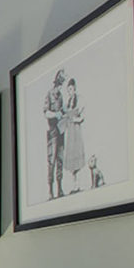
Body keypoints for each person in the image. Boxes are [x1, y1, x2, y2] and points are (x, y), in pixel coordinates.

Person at [42, 69, 67, 199]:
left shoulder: (61, 96)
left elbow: (61, 109)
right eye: (60, 84)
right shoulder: (49, 94)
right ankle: (50, 190)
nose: (60, 87)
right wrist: (55, 114)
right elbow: (46, 112)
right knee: (51, 160)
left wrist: (63, 112)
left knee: (60, 159)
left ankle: (60, 188)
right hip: (52, 131)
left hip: (60, 130)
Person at [62, 78, 86, 192]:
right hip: (70, 133)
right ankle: (74, 186)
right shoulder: (68, 102)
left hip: (76, 131)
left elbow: (82, 117)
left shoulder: (79, 99)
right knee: (71, 160)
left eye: (71, 89)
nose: (69, 92)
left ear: (74, 88)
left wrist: (75, 119)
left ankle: (79, 185)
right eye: (68, 90)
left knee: (77, 158)